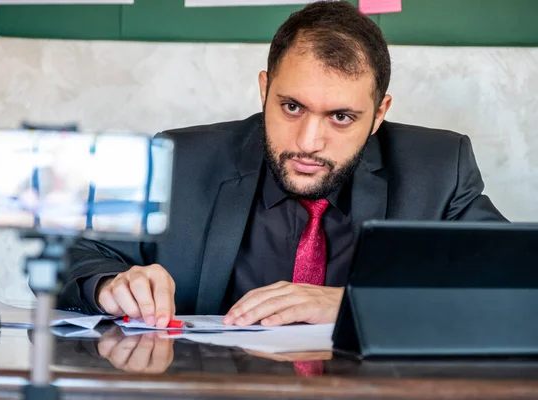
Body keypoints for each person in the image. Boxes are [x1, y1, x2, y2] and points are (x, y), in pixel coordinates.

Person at [57, 1, 506, 328]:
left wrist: (353, 304)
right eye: (292, 107)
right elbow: (70, 255)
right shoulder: (182, 160)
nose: (308, 142)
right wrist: (108, 284)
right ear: (264, 90)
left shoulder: (438, 171)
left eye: (342, 117)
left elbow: (516, 285)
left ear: (379, 115)